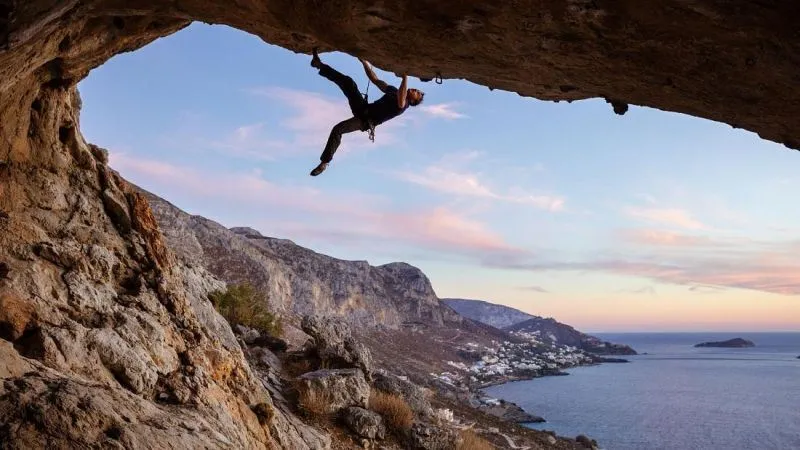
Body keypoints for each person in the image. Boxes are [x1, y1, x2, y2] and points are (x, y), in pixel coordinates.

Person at [308, 48, 425, 176]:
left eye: (417, 93)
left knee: (338, 129)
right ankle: (318, 64)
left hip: (365, 121)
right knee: (349, 82)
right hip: (363, 107)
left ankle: (324, 163)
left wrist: (405, 77)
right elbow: (375, 80)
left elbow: (401, 101)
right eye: (416, 90)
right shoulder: (393, 91)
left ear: (413, 102)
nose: (415, 90)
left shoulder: (404, 105)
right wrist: (364, 63)